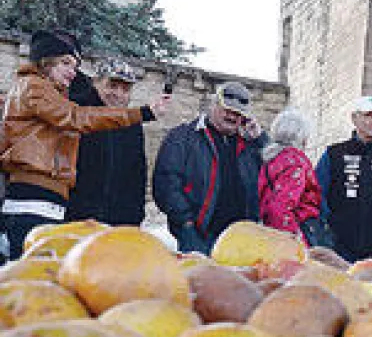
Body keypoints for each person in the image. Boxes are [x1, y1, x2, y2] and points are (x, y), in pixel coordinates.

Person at [1, 31, 166, 256]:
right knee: (29, 268)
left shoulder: (55, 95)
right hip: (33, 196)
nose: (73, 70)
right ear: (45, 62)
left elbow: (136, 173)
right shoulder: (34, 87)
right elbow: (77, 117)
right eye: (66, 63)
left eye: (76, 65)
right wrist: (144, 112)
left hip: (52, 198)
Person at [153, 82, 263, 254]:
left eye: (238, 113)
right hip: (199, 236)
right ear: (214, 105)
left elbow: (274, 171)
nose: (232, 116)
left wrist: (260, 139)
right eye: (227, 110)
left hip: (240, 240)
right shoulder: (183, 137)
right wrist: (185, 223)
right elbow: (166, 182)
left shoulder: (251, 145)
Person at [314, 96, 372, 263]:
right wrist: (329, 230)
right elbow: (316, 192)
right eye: (368, 116)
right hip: (337, 248)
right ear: (354, 119)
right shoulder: (334, 154)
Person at [65, 58, 150, 226]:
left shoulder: (133, 125)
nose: (118, 94)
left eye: (125, 89)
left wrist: (135, 218)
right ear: (96, 82)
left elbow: (138, 175)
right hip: (77, 217)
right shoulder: (78, 112)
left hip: (119, 222)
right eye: (112, 85)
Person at [256, 109, 324, 245]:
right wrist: (296, 242)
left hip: (269, 230)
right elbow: (282, 207)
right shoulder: (295, 162)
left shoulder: (272, 159)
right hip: (297, 230)